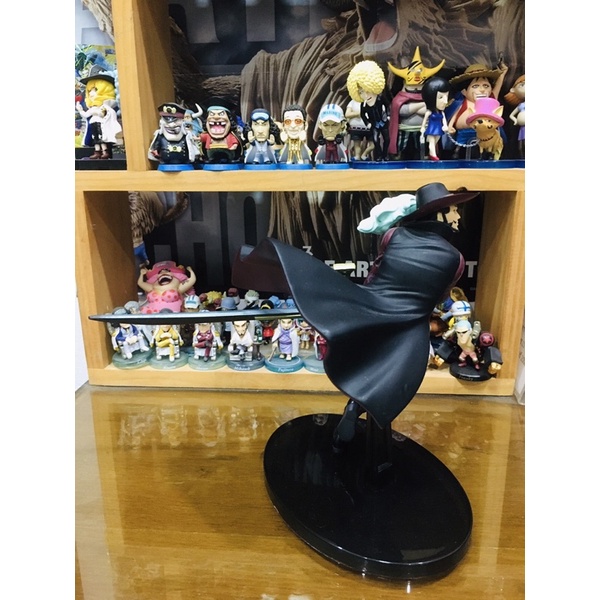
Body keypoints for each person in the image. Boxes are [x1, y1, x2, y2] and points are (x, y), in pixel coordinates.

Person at [231, 182, 479, 444]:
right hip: (409, 326)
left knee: (370, 365)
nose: (458, 215)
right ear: (439, 214)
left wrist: (365, 303)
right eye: (453, 210)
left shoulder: (394, 235)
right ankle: (360, 413)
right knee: (389, 378)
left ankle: (356, 410)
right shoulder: (456, 259)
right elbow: (439, 297)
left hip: (373, 308)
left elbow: (376, 274)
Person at [387, 47, 445, 160]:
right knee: (402, 144)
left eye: (419, 86)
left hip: (422, 129)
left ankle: (424, 155)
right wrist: (421, 105)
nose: (415, 90)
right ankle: (398, 154)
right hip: (405, 128)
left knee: (421, 145)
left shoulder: (428, 97)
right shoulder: (399, 98)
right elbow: (402, 111)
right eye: (412, 86)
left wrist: (415, 108)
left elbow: (429, 111)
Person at [446, 62, 508, 158]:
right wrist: (450, 126)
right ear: (464, 91)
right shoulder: (462, 104)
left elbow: (498, 85)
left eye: (486, 86)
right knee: (464, 155)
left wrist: (503, 73)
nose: (482, 90)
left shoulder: (490, 101)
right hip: (465, 138)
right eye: (475, 86)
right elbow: (454, 115)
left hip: (488, 138)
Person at [346, 60, 390, 161]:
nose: (366, 95)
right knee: (375, 140)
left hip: (383, 122)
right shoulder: (364, 104)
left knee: (387, 139)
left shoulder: (380, 98)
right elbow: (362, 114)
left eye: (367, 91)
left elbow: (388, 106)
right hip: (374, 124)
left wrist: (388, 116)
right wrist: (368, 123)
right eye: (361, 92)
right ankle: (379, 156)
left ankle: (385, 155)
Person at [419, 76, 450, 161]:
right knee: (432, 142)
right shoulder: (429, 112)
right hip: (431, 129)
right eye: (440, 97)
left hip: (438, 129)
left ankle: (431, 153)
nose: (445, 101)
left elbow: (443, 119)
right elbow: (425, 120)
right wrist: (422, 127)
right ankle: (433, 155)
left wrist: (445, 126)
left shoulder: (441, 112)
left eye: (446, 96)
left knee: (435, 141)